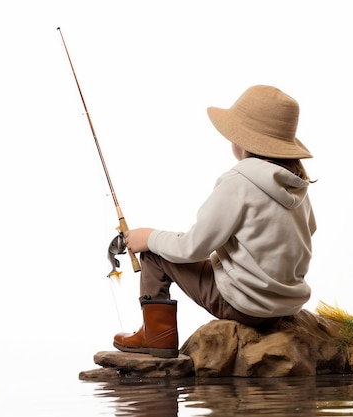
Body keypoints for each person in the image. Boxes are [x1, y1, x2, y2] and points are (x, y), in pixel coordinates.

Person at [113, 85, 316, 358]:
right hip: (284, 307)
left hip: (244, 306)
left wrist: (148, 237)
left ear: (243, 141)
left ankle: (156, 337)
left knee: (154, 254)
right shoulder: (296, 185)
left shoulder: (238, 182)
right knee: (175, 250)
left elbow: (192, 248)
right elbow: (308, 231)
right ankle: (156, 334)